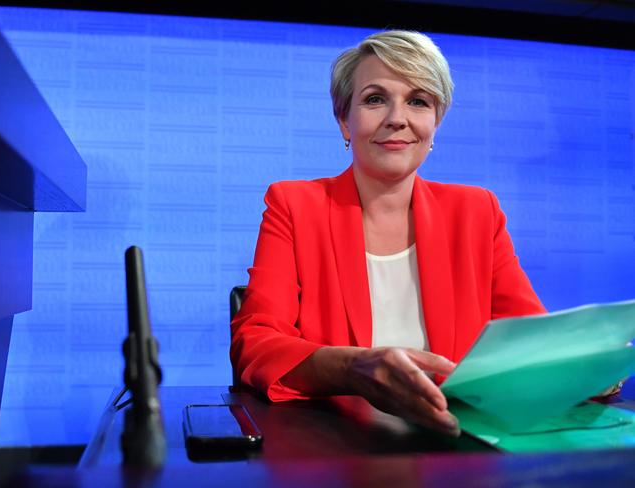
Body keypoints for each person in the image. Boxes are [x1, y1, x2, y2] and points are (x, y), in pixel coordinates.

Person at [230, 30, 546, 437]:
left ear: (436, 122)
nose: (398, 117)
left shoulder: (477, 211)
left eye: (418, 101)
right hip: (337, 446)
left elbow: (529, 339)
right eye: (375, 98)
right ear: (344, 119)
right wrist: (353, 368)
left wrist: (586, 367)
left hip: (459, 443)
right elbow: (254, 343)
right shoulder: (293, 204)